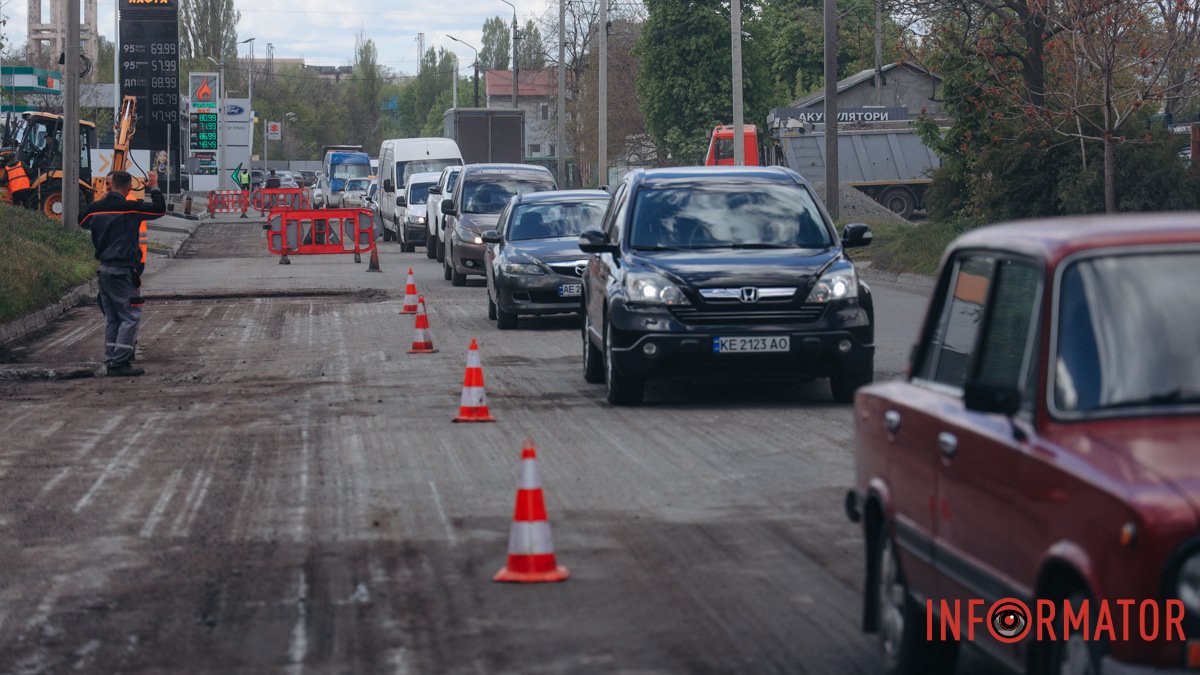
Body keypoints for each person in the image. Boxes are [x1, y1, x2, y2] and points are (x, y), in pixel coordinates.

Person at [78, 170, 166, 376]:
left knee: (112, 318)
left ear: (111, 185)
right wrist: (154, 186)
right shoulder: (130, 208)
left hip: (104, 270)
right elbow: (159, 210)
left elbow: (81, 219)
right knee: (130, 316)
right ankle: (120, 362)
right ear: (128, 187)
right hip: (123, 270)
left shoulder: (96, 209)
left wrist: (102, 199)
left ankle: (111, 359)